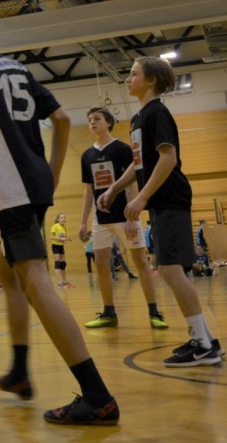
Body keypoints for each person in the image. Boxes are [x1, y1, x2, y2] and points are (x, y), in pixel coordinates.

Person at [0, 0, 118, 426]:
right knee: (5, 267)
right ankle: (18, 370)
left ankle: (98, 396)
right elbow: (63, 119)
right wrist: (52, 173)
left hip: (9, 185)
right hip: (34, 181)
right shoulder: (14, 66)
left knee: (34, 280)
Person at [97, 57, 223, 367]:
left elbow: (168, 158)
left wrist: (140, 198)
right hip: (160, 202)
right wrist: (114, 189)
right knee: (170, 270)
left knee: (169, 270)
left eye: (133, 74)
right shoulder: (139, 118)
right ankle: (207, 340)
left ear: (151, 80)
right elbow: (140, 163)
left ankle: (201, 345)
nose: (127, 79)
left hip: (170, 198)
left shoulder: (157, 112)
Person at [77, 106, 165, 331]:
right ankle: (109, 313)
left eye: (96, 118)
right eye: (89, 119)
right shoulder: (86, 155)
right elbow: (89, 190)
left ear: (108, 122)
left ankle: (154, 312)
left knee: (141, 262)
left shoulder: (122, 149)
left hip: (125, 215)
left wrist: (133, 217)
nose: (92, 122)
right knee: (100, 263)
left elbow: (134, 181)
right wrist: (83, 221)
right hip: (100, 218)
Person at [50, 213, 73, 288]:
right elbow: (51, 237)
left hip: (61, 246)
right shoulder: (55, 226)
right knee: (58, 264)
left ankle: (65, 281)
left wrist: (68, 239)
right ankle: (60, 283)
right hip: (55, 246)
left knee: (63, 264)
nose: (63, 219)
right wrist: (59, 238)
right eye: (62, 217)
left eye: (64, 217)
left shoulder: (64, 227)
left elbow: (63, 238)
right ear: (58, 219)